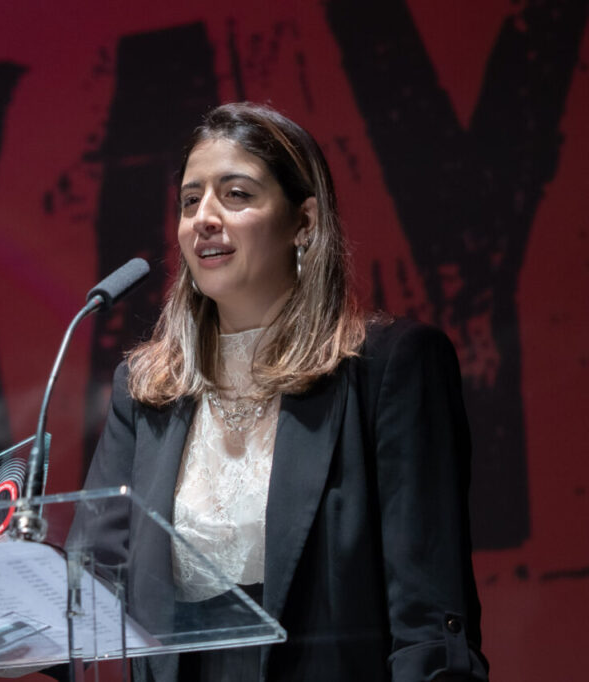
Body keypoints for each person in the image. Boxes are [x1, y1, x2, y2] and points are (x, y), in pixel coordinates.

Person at [77, 102, 489, 681]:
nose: (205, 218)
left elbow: (427, 617)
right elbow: (92, 586)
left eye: (236, 195)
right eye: (190, 201)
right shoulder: (147, 390)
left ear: (305, 221)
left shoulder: (387, 368)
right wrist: (11, 628)